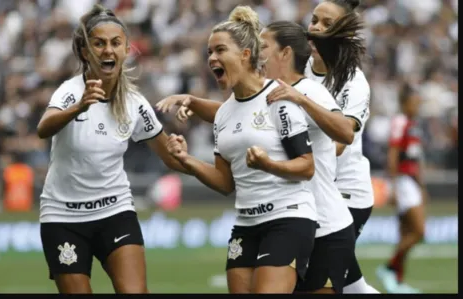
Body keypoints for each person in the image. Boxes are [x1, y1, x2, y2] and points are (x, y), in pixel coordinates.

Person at [156, 11, 366, 295]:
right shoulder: (241, 106)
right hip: (254, 222)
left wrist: (271, 158)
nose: (260, 54)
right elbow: (242, 120)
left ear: (284, 53)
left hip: (320, 221)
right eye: (209, 52)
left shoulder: (294, 94)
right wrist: (187, 152)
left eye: (264, 47)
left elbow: (343, 134)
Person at [36, 5, 189, 294]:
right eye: (99, 43)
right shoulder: (69, 92)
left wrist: (181, 151)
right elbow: (43, 128)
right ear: (85, 52)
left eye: (115, 43)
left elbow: (169, 155)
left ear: (126, 49)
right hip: (63, 218)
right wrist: (78, 107)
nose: (108, 50)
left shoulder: (135, 103)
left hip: (114, 212)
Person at [302, 0, 381, 294]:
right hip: (314, 192)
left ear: (343, 34)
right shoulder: (297, 67)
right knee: (352, 285)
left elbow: (336, 144)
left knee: (315, 282)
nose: (316, 28)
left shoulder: (353, 81)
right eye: (314, 20)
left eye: (327, 24)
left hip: (346, 196)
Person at [376, 84, 426, 294]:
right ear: (405, 103)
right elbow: (393, 154)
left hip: (412, 181)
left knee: (406, 231)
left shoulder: (412, 123)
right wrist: (393, 187)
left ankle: (397, 280)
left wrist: (422, 185)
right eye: (414, 102)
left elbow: (415, 157)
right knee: (418, 231)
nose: (417, 106)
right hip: (403, 181)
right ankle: (388, 268)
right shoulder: (400, 121)